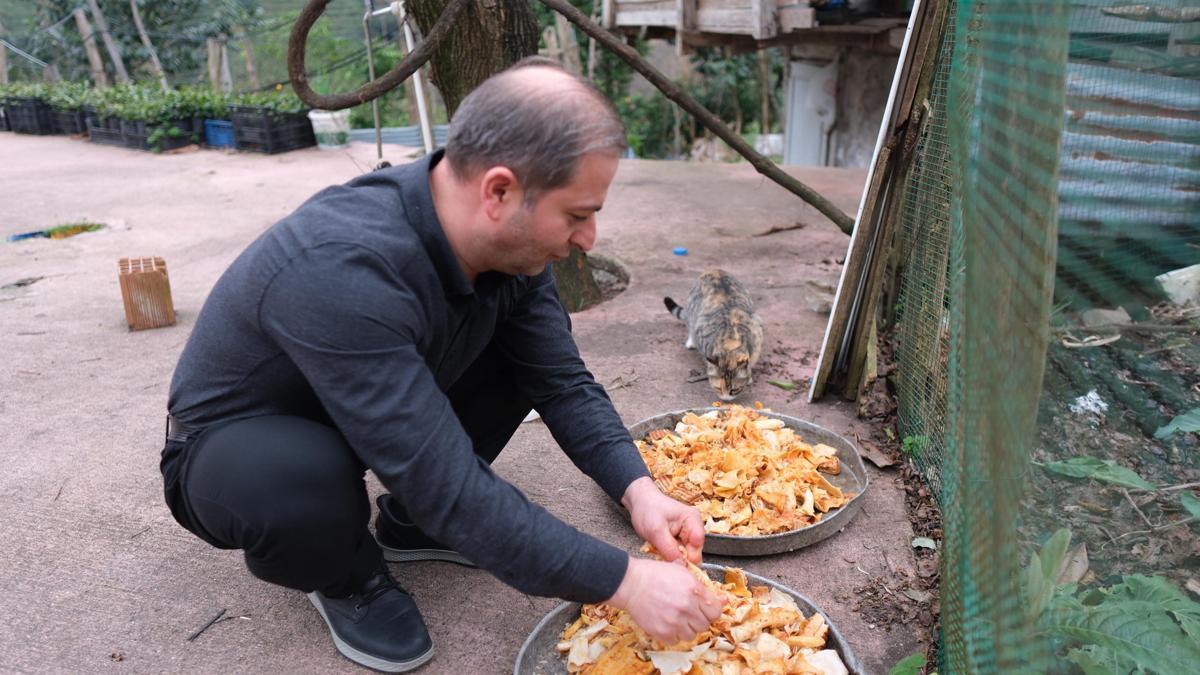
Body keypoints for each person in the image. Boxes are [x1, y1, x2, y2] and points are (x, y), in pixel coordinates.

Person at [160, 57, 724, 672]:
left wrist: (637, 489)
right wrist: (626, 582)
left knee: (520, 363)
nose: (588, 238)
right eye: (578, 214)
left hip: (377, 411)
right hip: (241, 443)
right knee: (297, 484)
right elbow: (447, 485)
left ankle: (409, 526)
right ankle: (346, 574)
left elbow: (562, 383)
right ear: (500, 191)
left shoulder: (515, 252)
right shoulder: (341, 266)